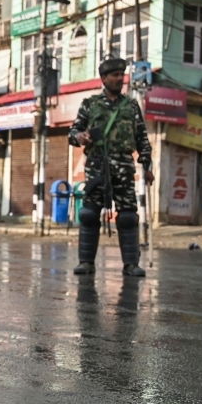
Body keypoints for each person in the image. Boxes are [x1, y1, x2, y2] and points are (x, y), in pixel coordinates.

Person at [69, 58, 153, 277]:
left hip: (124, 167)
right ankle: (86, 262)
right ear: (104, 79)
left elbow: (142, 138)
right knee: (89, 214)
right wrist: (80, 137)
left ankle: (131, 264)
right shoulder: (90, 104)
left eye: (121, 75)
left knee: (127, 216)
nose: (119, 79)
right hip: (97, 166)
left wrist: (148, 164)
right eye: (114, 75)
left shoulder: (131, 106)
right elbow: (73, 133)